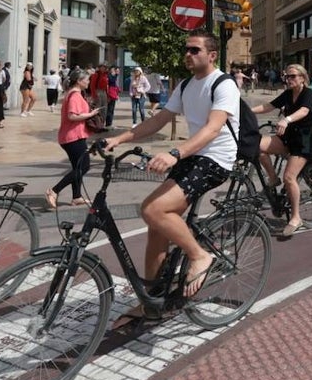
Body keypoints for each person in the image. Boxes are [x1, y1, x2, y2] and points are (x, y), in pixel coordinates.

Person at [98, 32, 240, 303]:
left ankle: (199, 255)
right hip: (194, 156)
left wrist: (176, 153)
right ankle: (152, 299)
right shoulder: (185, 86)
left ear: (211, 55)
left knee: (152, 209)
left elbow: (212, 129)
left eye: (195, 50)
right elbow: (158, 120)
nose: (188, 54)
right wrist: (118, 138)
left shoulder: (224, 84)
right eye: (186, 49)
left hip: (216, 159)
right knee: (157, 223)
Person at [251, 64, 312, 237]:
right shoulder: (288, 94)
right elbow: (269, 106)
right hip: (287, 138)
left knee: (289, 177)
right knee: (256, 145)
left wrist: (287, 119)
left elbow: (304, 111)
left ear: (302, 78)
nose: (289, 79)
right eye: (287, 76)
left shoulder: (308, 94)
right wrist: (247, 112)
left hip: (303, 142)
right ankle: (273, 178)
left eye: (293, 76)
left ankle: (296, 218)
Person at [45, 68, 104, 210]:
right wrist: (90, 115)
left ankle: (76, 197)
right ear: (79, 81)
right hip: (72, 137)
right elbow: (72, 116)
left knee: (77, 167)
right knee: (84, 166)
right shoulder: (74, 96)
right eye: (87, 80)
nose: (89, 82)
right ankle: (54, 191)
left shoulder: (74, 94)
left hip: (73, 136)